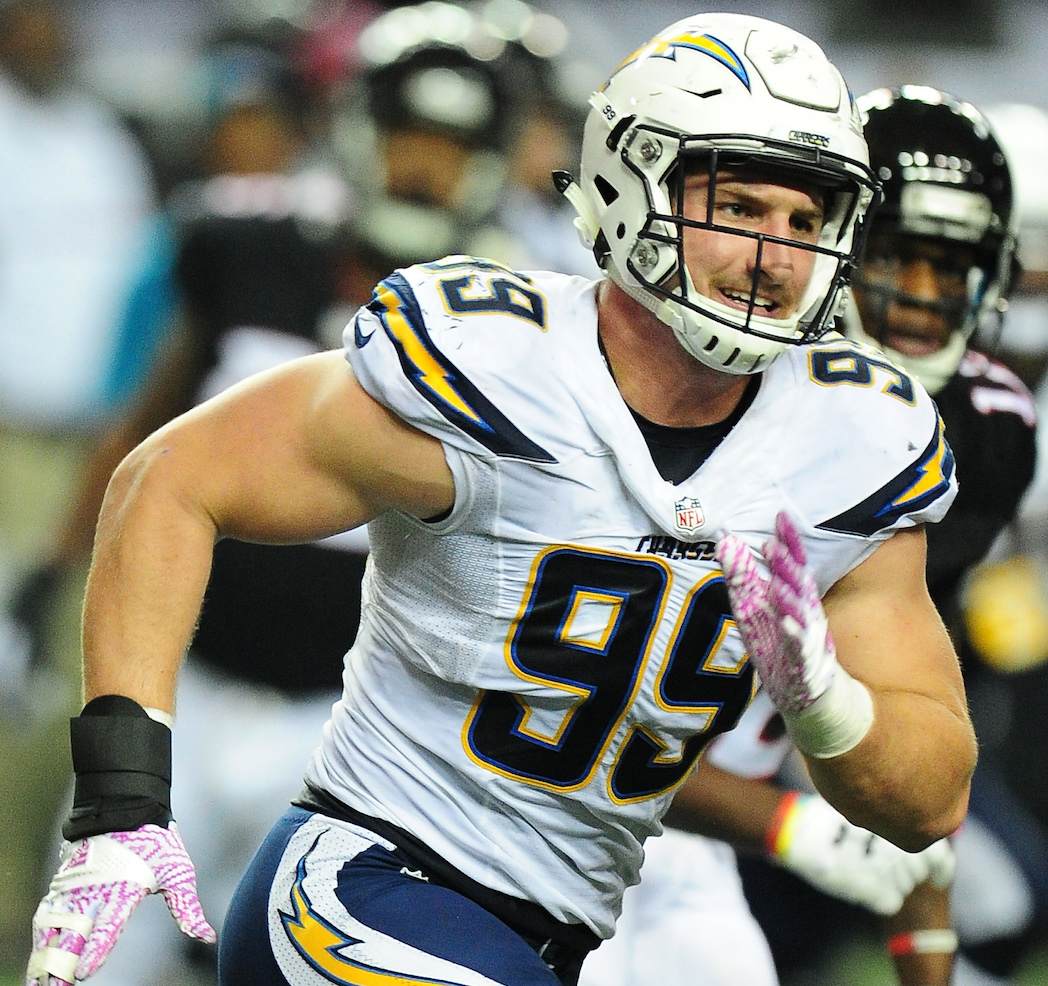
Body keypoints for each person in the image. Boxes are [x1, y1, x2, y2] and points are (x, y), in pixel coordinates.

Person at [26, 14, 976, 986]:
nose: (774, 255)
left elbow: (930, 798)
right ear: (633, 184)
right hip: (361, 883)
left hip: (559, 934)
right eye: (738, 207)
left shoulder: (850, 441)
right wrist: (122, 800)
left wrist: (827, 706)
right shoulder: (497, 363)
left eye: (805, 222)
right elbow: (170, 477)